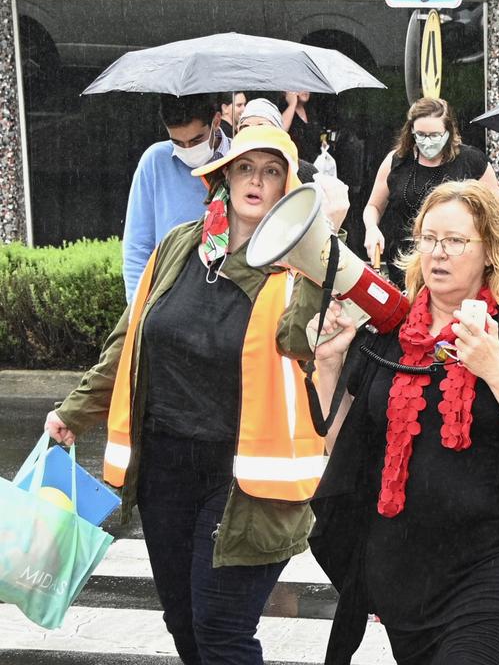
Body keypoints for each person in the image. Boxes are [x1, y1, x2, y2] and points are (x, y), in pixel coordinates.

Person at [44, 126, 343, 664]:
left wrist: (320, 242)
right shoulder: (180, 245)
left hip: (242, 480)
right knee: (184, 622)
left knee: (222, 630)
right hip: (165, 468)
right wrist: (75, 411)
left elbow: (301, 344)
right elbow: (130, 345)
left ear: (288, 188)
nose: (256, 180)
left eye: (271, 171)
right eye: (245, 167)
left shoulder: (303, 265)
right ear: (223, 176)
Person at [308, 179, 499, 665]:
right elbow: (343, 448)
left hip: (497, 565)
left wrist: (494, 368)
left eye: (455, 241)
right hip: (406, 571)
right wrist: (327, 365)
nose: (438, 253)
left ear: (490, 250)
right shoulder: (390, 332)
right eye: (428, 239)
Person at [364, 97, 499, 286]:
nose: (427, 142)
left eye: (435, 135)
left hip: (454, 261)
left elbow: (497, 217)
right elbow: (373, 206)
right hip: (404, 262)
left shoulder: (473, 162)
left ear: (449, 132)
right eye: (421, 134)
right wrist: (372, 228)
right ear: (411, 131)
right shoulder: (396, 161)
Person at [122, 93, 230, 302]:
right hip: (167, 301)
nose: (187, 149)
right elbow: (137, 248)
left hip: (226, 300)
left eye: (196, 140)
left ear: (216, 121)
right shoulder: (155, 162)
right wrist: (137, 311)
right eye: (177, 142)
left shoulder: (241, 162)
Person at [281, 90, 324, 163]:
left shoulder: (310, 111)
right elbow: (280, 131)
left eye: (308, 86)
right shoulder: (283, 109)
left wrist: (323, 142)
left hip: (312, 166)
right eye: (301, 86)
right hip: (293, 166)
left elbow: (317, 135)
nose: (306, 90)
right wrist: (292, 104)